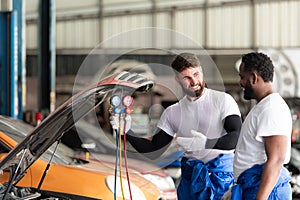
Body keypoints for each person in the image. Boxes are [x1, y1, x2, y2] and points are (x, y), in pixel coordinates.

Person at [110, 52, 242, 200]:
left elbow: (236, 136)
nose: (194, 81)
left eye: (196, 74)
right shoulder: (173, 112)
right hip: (190, 181)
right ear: (177, 79)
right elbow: (153, 149)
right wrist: (126, 131)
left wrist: (206, 143)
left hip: (221, 180)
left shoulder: (222, 100)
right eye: (187, 78)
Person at [224, 52, 292, 199]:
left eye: (242, 77)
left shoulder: (272, 108)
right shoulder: (263, 106)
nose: (241, 82)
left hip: (266, 191)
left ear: (254, 77)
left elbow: (276, 159)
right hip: (253, 186)